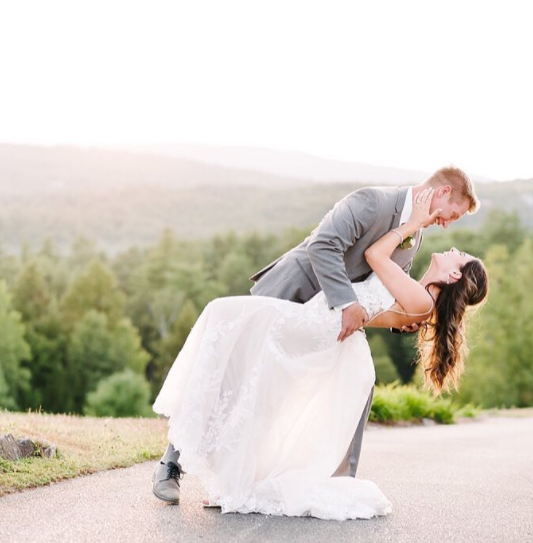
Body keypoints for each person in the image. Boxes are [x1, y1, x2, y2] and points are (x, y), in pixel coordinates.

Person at [150, 187, 488, 520]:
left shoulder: (419, 289)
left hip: (314, 325)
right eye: (453, 214)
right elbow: (346, 270)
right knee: (230, 352)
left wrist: (412, 224)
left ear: (454, 274)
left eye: (459, 254)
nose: (451, 236)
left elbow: (374, 261)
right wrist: (386, 315)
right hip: (308, 301)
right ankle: (180, 463)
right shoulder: (377, 208)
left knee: (223, 325)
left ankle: (226, 474)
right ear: (443, 191)